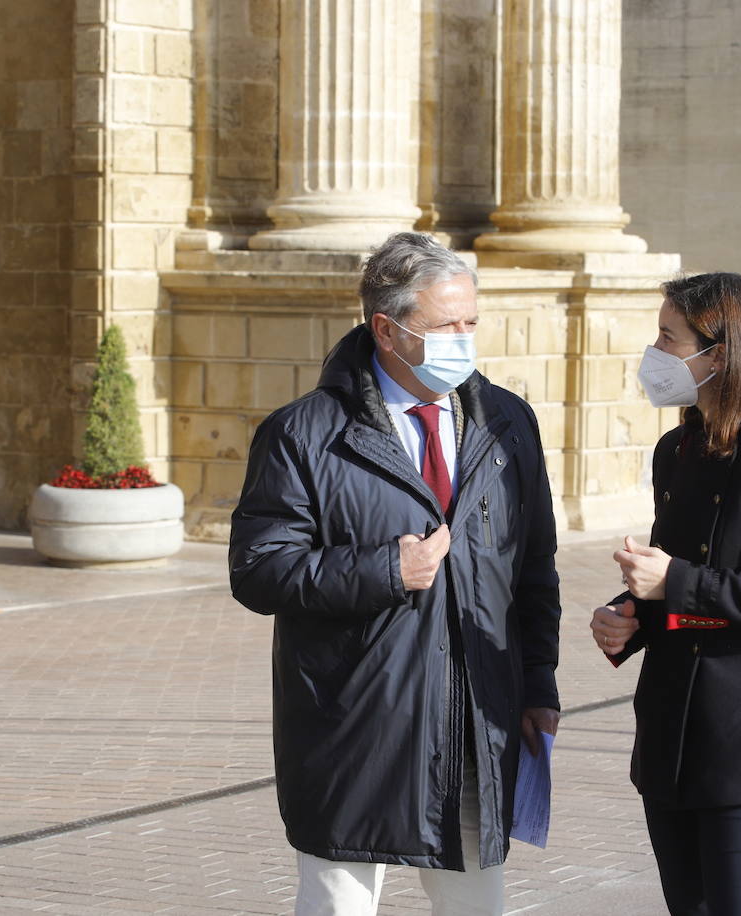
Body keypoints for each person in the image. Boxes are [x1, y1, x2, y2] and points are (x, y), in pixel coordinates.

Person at [230, 232, 562, 915]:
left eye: (471, 322)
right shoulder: (304, 433)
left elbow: (533, 570)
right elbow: (259, 569)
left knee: (476, 907)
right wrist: (387, 568)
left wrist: (538, 684)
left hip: (476, 720)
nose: (463, 339)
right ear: (386, 329)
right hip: (354, 725)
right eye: (445, 325)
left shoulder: (508, 425)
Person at [589, 272, 741, 916]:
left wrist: (673, 581)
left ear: (719, 351)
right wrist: (632, 619)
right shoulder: (677, 448)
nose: (654, 351)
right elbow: (679, 575)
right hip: (674, 743)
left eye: (668, 337)